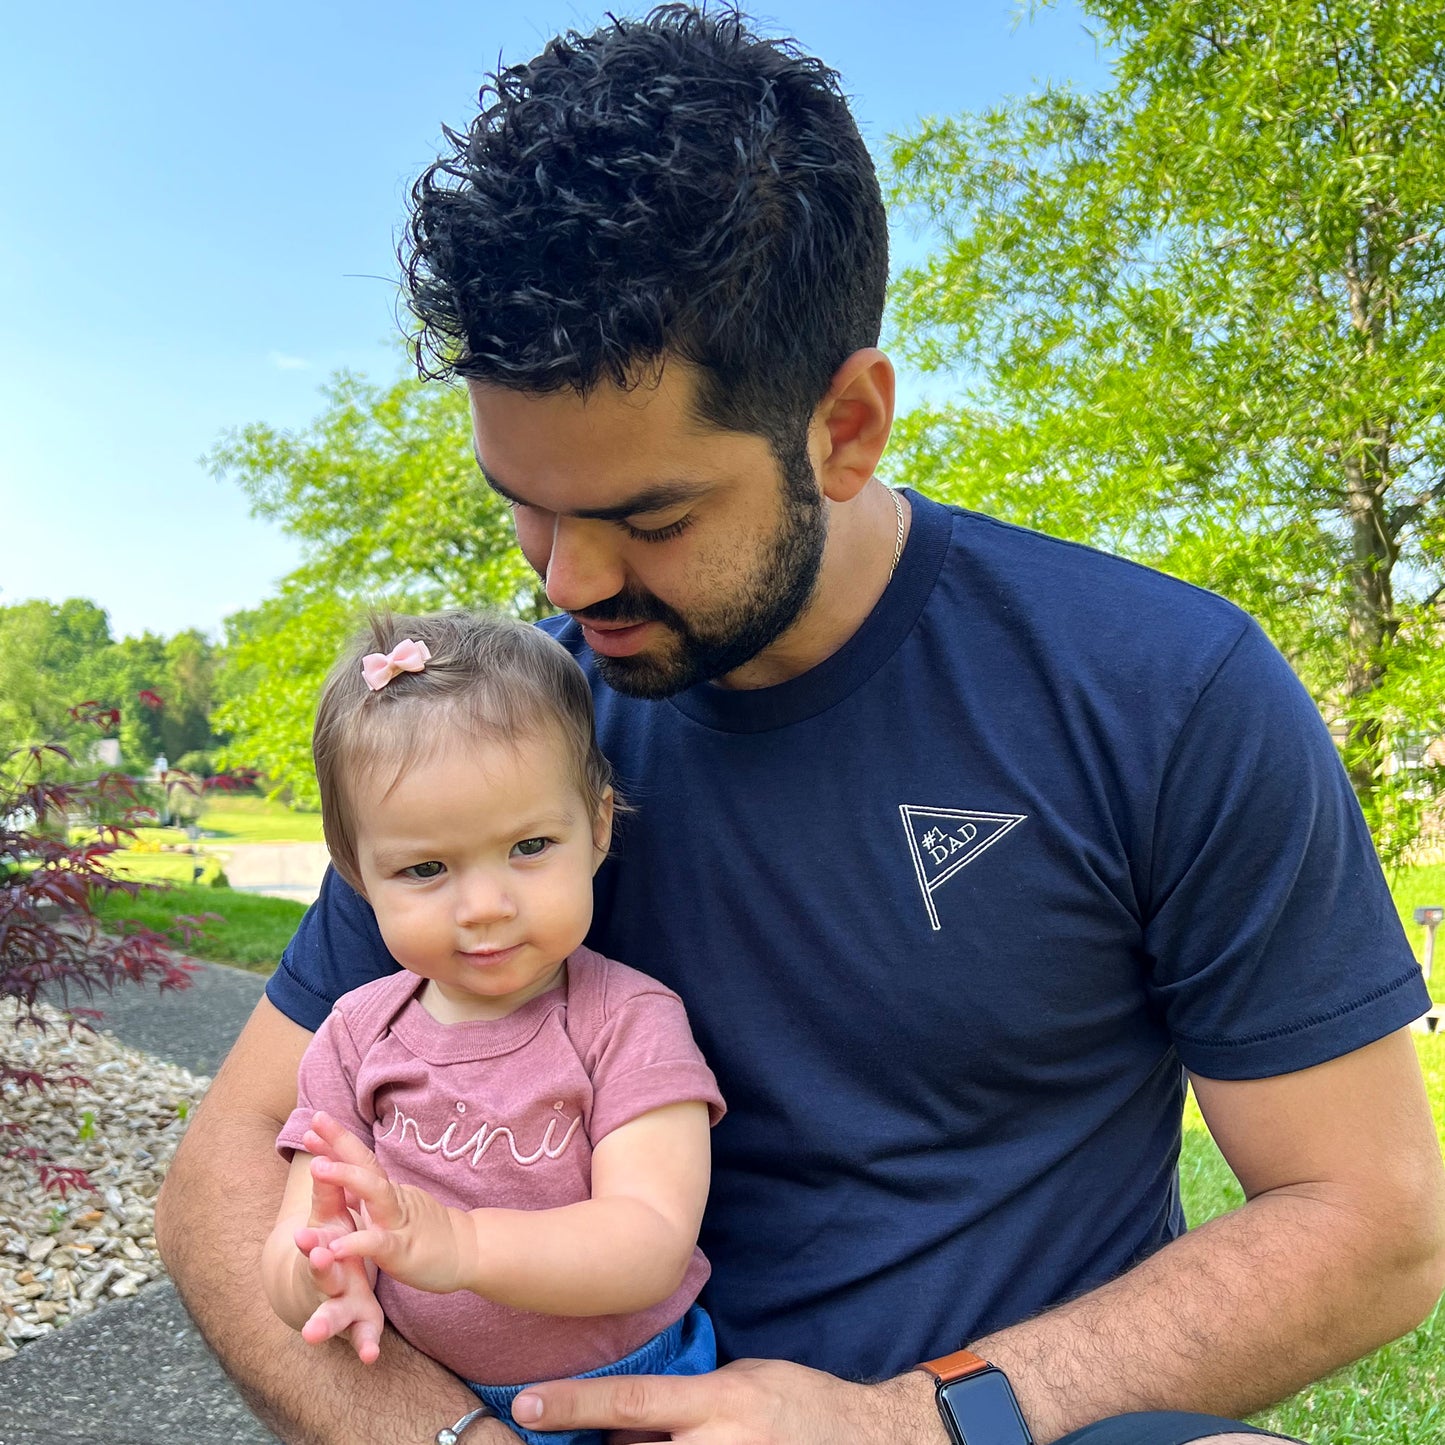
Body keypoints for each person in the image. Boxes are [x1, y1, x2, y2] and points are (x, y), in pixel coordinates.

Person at [156, 8, 1445, 1445]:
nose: (565, 587)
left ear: (845, 425)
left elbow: (1372, 1221)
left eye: (645, 516)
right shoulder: (485, 748)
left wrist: (915, 1423)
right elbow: (222, 1188)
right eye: (522, 503)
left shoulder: (1159, 691)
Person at [257, 611, 723, 1444]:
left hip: (636, 1379)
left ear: (598, 827)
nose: (484, 906)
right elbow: (295, 1245)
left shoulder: (625, 1021)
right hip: (434, 1393)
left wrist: (463, 1245)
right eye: (426, 868)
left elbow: (648, 1239)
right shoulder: (356, 1036)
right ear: (358, 877)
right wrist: (321, 1270)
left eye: (530, 845)